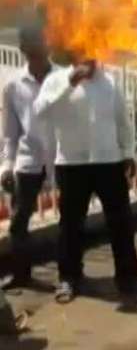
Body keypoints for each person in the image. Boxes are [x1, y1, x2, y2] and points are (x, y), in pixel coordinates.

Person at [33, 56, 137, 304]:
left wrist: (128, 154)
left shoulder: (110, 82)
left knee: (121, 222)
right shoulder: (57, 80)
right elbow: (40, 111)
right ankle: (69, 277)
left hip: (109, 162)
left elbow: (123, 121)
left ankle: (127, 278)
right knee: (71, 225)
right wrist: (70, 82)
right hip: (72, 164)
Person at [0, 26, 57, 291]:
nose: (37, 57)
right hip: (28, 158)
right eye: (32, 51)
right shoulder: (12, 86)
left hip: (62, 156)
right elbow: (10, 133)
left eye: (41, 50)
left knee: (70, 216)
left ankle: (72, 273)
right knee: (19, 220)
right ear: (24, 51)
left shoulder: (63, 79)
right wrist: (7, 166)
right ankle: (22, 274)